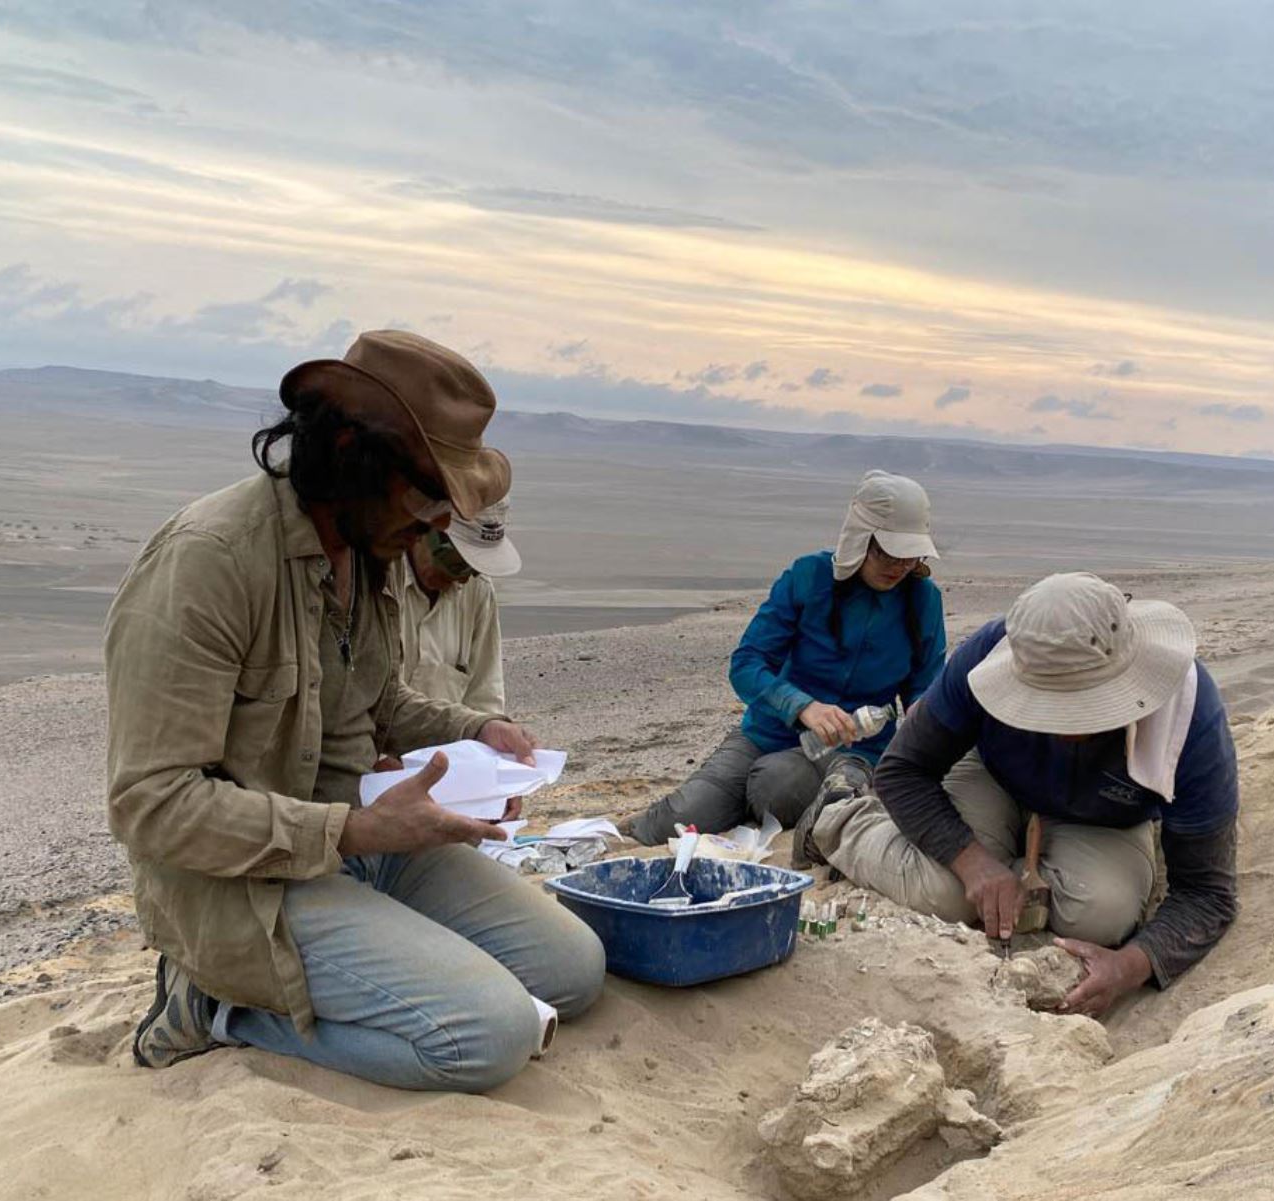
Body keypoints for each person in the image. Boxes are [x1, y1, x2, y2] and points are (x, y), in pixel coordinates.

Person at [105, 330, 605, 1092]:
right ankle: (213, 1008)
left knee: (575, 971)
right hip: (244, 884)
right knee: (490, 1035)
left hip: (359, 846)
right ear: (351, 450)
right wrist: (356, 829)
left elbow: (374, 698)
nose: (442, 523)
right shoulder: (211, 562)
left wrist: (475, 732)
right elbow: (151, 804)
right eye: (431, 493)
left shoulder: (369, 554)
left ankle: (365, 944)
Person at [798, 572, 1238, 1018]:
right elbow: (903, 769)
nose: (1065, 729)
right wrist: (973, 863)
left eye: (1086, 708)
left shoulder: (1188, 714)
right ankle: (837, 814)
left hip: (1104, 815)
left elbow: (1207, 893)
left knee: (1103, 916)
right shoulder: (987, 654)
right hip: (994, 778)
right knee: (942, 894)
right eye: (1048, 706)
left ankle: (1018, 873)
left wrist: (1129, 966)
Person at [628, 470, 948, 847]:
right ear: (860, 539)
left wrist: (921, 721)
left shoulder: (922, 600)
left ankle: (763, 811)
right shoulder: (808, 576)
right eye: (887, 553)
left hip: (855, 750)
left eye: (910, 556)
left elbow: (925, 690)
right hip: (767, 732)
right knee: (679, 818)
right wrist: (803, 707)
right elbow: (746, 664)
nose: (899, 566)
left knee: (775, 786)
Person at [385, 495, 520, 712]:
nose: (464, 578)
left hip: (449, 744)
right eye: (456, 563)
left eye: (475, 569)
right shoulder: (381, 582)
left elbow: (485, 698)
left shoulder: (478, 590)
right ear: (425, 531)